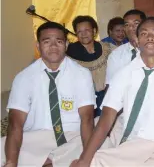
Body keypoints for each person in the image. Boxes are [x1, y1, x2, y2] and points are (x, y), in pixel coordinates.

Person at [71, 17, 154, 166]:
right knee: (92, 161)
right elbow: (106, 119)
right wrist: (85, 159)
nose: (149, 37)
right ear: (136, 40)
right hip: (134, 145)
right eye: (144, 34)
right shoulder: (124, 74)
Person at [1, 22, 95, 166]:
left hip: (72, 136)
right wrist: (11, 162)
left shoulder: (82, 74)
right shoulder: (24, 78)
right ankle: (55, 161)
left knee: (103, 144)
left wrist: (87, 158)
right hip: (36, 138)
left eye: (59, 41)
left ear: (67, 45)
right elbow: (15, 124)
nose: (53, 46)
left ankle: (47, 161)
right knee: (4, 149)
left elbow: (87, 119)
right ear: (38, 46)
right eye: (47, 41)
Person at [66, 15, 115, 117]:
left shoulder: (108, 49)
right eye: (79, 31)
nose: (83, 34)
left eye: (87, 30)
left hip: (107, 97)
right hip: (82, 100)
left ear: (94, 31)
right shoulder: (68, 54)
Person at [105, 9, 154, 83]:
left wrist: (140, 46)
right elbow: (110, 85)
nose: (131, 28)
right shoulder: (116, 54)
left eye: (136, 24)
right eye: (127, 25)